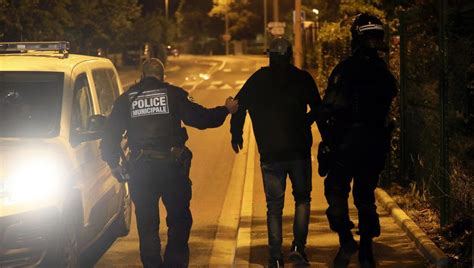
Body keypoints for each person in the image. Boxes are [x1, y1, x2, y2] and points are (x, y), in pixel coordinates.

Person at [100, 58, 239, 268]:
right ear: (162, 76)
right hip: (171, 169)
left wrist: (114, 165)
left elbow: (109, 137)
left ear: (141, 75)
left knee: (147, 227)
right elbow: (201, 119)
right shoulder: (173, 94)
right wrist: (226, 110)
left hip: (140, 170)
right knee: (179, 221)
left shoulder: (126, 99)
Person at [230, 37, 322, 267]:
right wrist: (310, 125)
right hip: (299, 151)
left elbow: (238, 106)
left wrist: (236, 134)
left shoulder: (258, 79)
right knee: (302, 199)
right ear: (290, 54)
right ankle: (299, 248)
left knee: (274, 206)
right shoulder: (302, 78)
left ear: (269, 54)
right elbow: (320, 110)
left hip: (270, 153)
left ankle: (275, 257)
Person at [318, 14, 398, 268]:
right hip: (374, 143)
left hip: (346, 143)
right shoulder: (383, 72)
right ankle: (366, 253)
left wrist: (327, 136)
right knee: (365, 197)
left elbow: (330, 105)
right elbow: (388, 102)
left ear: (355, 37)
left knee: (336, 191)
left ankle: (346, 239)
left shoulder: (345, 69)